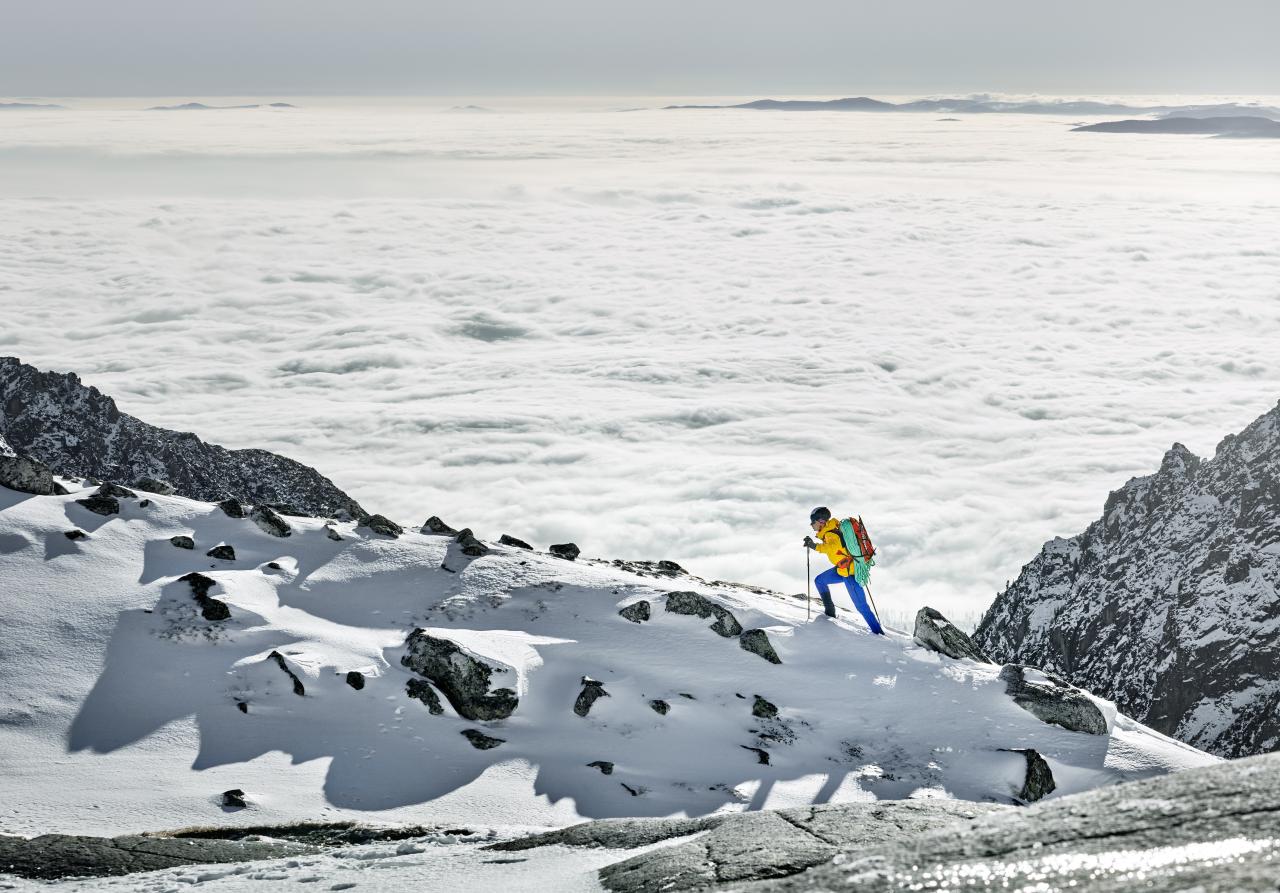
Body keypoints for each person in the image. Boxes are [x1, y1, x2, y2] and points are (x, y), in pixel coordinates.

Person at [804, 506, 884, 634]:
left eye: (812, 522)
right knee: (820, 581)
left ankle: (878, 633)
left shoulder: (830, 534)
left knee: (861, 607)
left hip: (849, 575)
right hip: (842, 570)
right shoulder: (831, 531)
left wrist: (813, 545)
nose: (811, 525)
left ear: (821, 522)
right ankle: (830, 613)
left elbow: (829, 548)